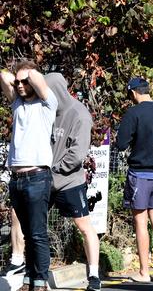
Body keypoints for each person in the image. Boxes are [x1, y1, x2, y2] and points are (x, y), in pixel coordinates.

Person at [0, 60, 58, 291]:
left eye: (26, 81)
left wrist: (29, 73)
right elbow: (3, 76)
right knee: (26, 233)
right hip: (17, 179)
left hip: (37, 177)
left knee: (37, 233)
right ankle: (28, 279)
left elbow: (38, 80)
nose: (22, 85)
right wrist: (17, 77)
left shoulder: (47, 104)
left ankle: (41, 280)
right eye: (19, 82)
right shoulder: (17, 104)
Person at [45, 73, 101, 291]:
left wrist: (55, 169)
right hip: (45, 179)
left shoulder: (79, 114)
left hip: (69, 181)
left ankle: (94, 275)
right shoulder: (46, 111)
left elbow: (77, 154)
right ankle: (33, 273)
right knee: (31, 224)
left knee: (84, 226)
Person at [117, 77, 153, 283]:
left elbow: (121, 143)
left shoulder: (133, 113)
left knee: (140, 221)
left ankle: (143, 271)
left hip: (140, 173)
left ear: (133, 93)